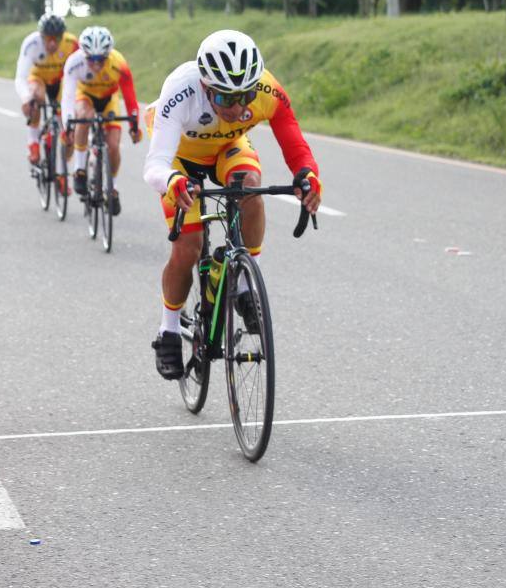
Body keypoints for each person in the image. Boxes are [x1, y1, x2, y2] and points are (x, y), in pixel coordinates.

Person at [143, 30, 322, 379]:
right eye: (226, 98)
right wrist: (173, 181)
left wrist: (308, 176)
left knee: (250, 187)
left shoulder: (268, 90)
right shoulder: (181, 91)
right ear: (206, 87)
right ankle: (168, 330)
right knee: (188, 247)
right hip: (179, 159)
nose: (238, 107)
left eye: (246, 96)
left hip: (227, 148)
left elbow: (296, 145)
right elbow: (155, 166)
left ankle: (243, 286)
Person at [60, 26, 141, 214]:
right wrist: (68, 126)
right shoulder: (74, 62)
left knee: (113, 146)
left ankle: (112, 188)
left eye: (101, 60)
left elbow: (130, 98)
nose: (96, 65)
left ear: (108, 55)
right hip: (85, 97)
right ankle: (80, 169)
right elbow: (68, 98)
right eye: (91, 59)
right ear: (84, 54)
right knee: (84, 117)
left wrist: (134, 126)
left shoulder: (119, 63)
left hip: (109, 99)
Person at [14, 13, 79, 165]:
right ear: (41, 35)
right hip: (38, 78)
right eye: (48, 38)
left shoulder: (71, 43)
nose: (52, 43)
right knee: (36, 98)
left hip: (60, 81)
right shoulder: (31, 43)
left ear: (62, 36)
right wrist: (26, 98)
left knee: (70, 128)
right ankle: (33, 143)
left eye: (57, 38)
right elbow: (21, 77)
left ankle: (64, 168)